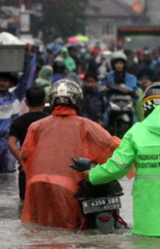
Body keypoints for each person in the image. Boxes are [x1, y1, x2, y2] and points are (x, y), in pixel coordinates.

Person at [87, 82, 160, 237]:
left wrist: (92, 175)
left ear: (145, 105)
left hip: (145, 222)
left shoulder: (136, 132)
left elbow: (118, 167)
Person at [20, 79, 122, 229]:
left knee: (39, 229)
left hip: (37, 183)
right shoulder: (86, 124)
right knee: (69, 231)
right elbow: (112, 146)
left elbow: (24, 156)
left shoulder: (36, 126)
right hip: (68, 184)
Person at [8, 86, 50, 200]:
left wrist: (22, 159)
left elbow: (11, 143)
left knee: (25, 207)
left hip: (26, 171)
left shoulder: (18, 122)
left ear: (26, 102)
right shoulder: (52, 121)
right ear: (44, 102)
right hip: (48, 170)